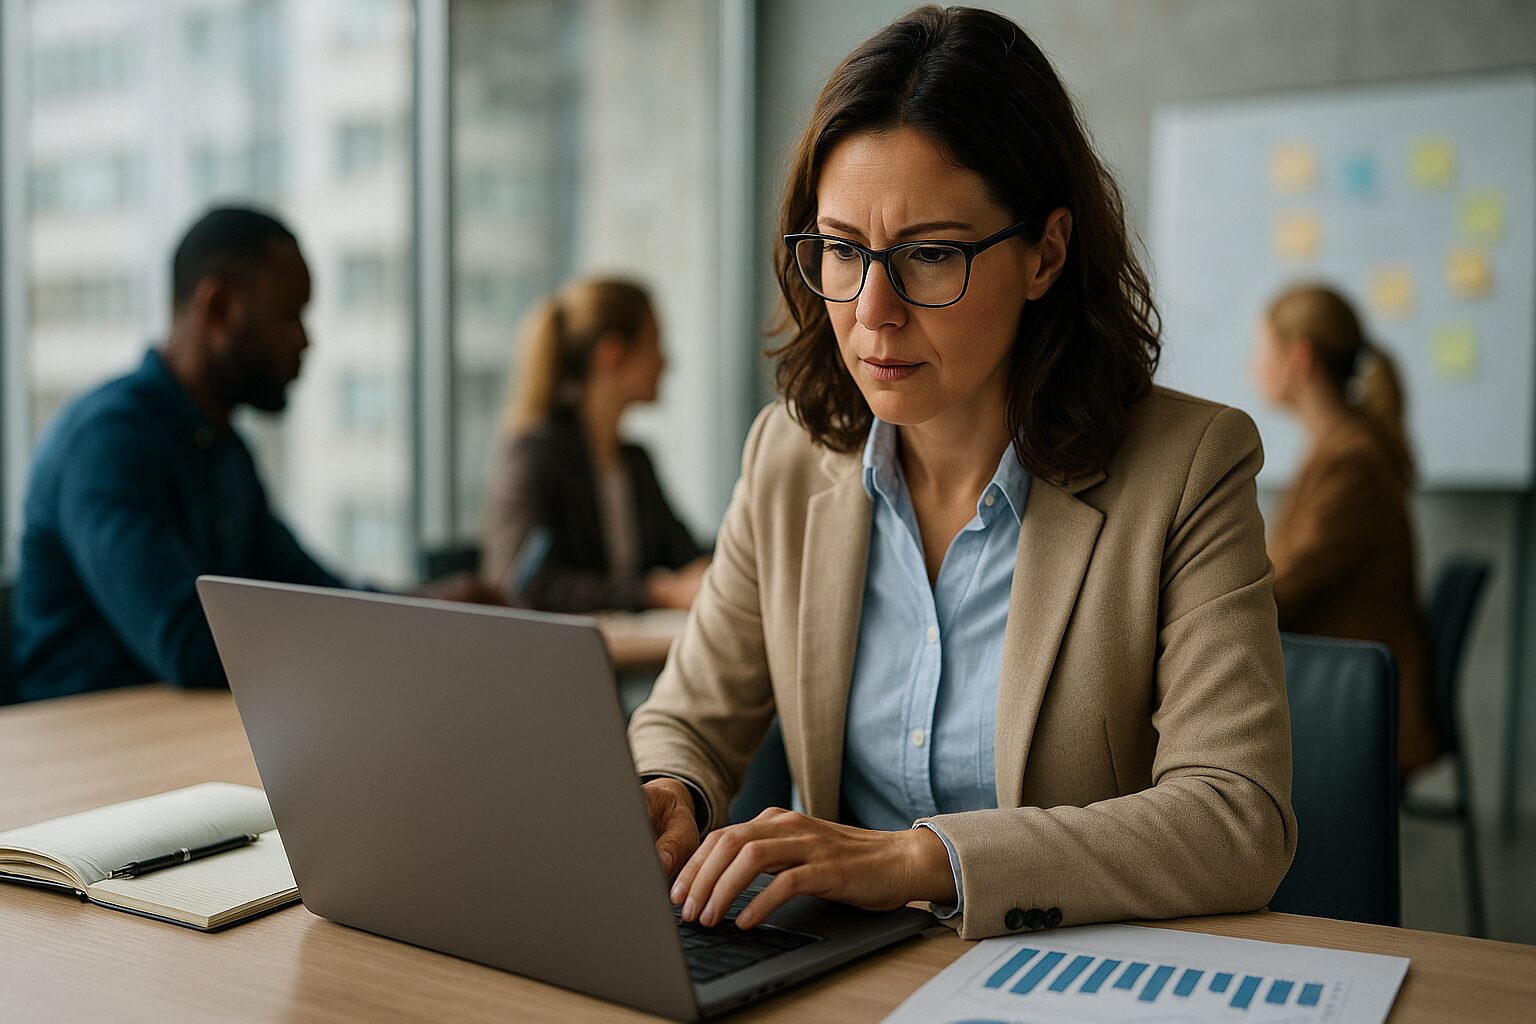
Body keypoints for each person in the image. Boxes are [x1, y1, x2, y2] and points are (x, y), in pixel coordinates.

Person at [629, 6, 1296, 941]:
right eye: (843, 250)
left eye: (931, 254)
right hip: (845, 983)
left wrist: (917, 859)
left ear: (1046, 253)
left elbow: (1236, 818)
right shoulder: (786, 457)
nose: (873, 313)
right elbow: (685, 719)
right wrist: (671, 791)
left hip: (1070, 985)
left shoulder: (1187, 468)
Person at [13, 206, 496, 703]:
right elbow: (187, 643)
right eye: (289, 315)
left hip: (180, 731)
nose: (305, 340)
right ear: (219, 307)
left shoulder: (223, 447)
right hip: (86, 751)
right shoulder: (107, 442)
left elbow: (306, 588)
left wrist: (424, 610)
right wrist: (402, 627)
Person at [1255, 283, 1440, 776]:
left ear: (1298, 358)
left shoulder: (1350, 463)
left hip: (1351, 706)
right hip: (1333, 686)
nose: (1255, 364)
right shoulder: (1337, 450)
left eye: (1263, 349)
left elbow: (1286, 589)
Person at [481, 277, 709, 613]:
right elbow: (526, 584)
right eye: (654, 344)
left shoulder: (635, 462)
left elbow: (684, 555)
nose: (665, 363)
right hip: (561, 659)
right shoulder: (534, 456)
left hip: (635, 656)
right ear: (612, 354)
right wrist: (655, 593)